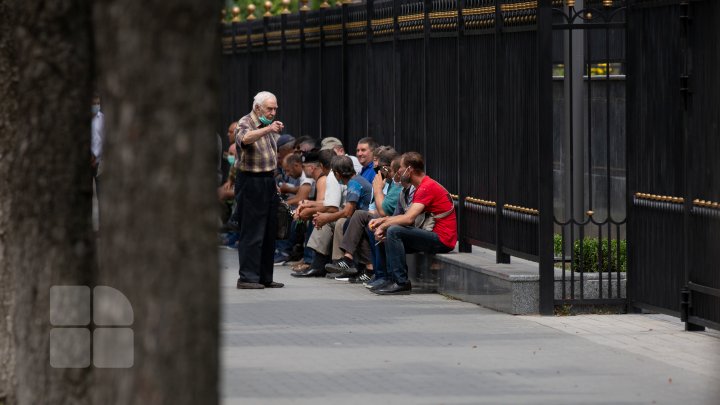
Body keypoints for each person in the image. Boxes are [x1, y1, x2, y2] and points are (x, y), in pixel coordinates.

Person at [369, 152, 457, 295]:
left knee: (393, 231)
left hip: (442, 239)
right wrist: (382, 221)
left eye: (401, 167)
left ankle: (401, 282)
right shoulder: (421, 186)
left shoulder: (426, 187)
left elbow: (408, 219)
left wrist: (384, 224)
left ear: (409, 170)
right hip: (433, 235)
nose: (398, 171)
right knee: (388, 234)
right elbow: (405, 217)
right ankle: (391, 279)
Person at [234, 91, 285, 289]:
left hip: (268, 181)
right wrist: (268, 129)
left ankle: (265, 276)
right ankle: (247, 277)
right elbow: (245, 139)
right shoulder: (246, 121)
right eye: (269, 109)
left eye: (275, 109)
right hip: (250, 181)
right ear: (257, 108)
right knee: (252, 231)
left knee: (268, 231)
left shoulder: (268, 125)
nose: (273, 112)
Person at [293, 155, 372, 278]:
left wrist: (326, 218)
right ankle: (321, 264)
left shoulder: (354, 183)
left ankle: (336, 263)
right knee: (331, 220)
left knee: (337, 221)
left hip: (364, 219)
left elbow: (347, 212)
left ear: (337, 174)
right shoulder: (355, 181)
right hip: (359, 218)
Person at [90, 92, 104, 197]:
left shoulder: (102, 119)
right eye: (94, 103)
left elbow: (103, 140)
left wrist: (95, 156)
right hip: (88, 160)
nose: (96, 106)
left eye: (98, 103)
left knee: (101, 192)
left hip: (99, 160)